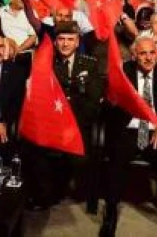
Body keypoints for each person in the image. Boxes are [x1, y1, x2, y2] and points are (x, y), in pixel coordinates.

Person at [101, 35, 157, 237]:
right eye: (142, 53)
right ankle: (110, 213)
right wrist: (111, 100)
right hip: (129, 129)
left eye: (151, 53)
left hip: (156, 131)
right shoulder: (124, 72)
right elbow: (109, 107)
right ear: (134, 56)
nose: (148, 58)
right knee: (116, 159)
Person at [26, 22, 104, 210]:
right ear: (55, 42)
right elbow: (40, 98)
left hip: (78, 125)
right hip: (51, 124)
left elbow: (93, 101)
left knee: (79, 157)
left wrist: (71, 123)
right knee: (36, 151)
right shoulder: (46, 64)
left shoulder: (90, 64)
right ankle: (45, 196)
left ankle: (70, 191)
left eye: (71, 39)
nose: (66, 44)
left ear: (78, 42)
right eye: (61, 39)